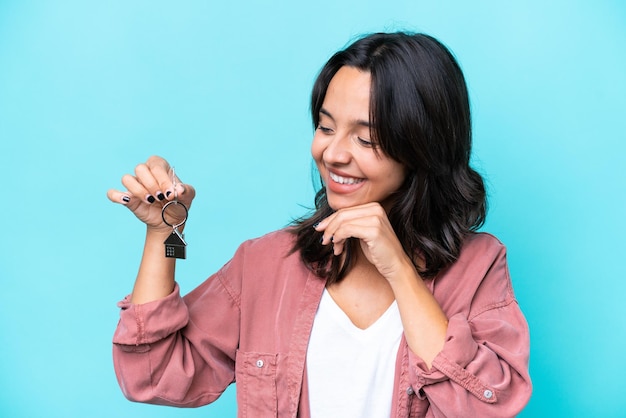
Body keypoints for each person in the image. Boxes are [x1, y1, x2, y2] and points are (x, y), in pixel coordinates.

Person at [108, 32, 532, 417]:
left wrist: (399, 270)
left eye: (365, 139)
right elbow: (151, 374)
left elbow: (489, 405)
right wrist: (167, 233)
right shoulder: (266, 263)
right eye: (326, 127)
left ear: (421, 147)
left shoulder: (479, 266)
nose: (333, 154)